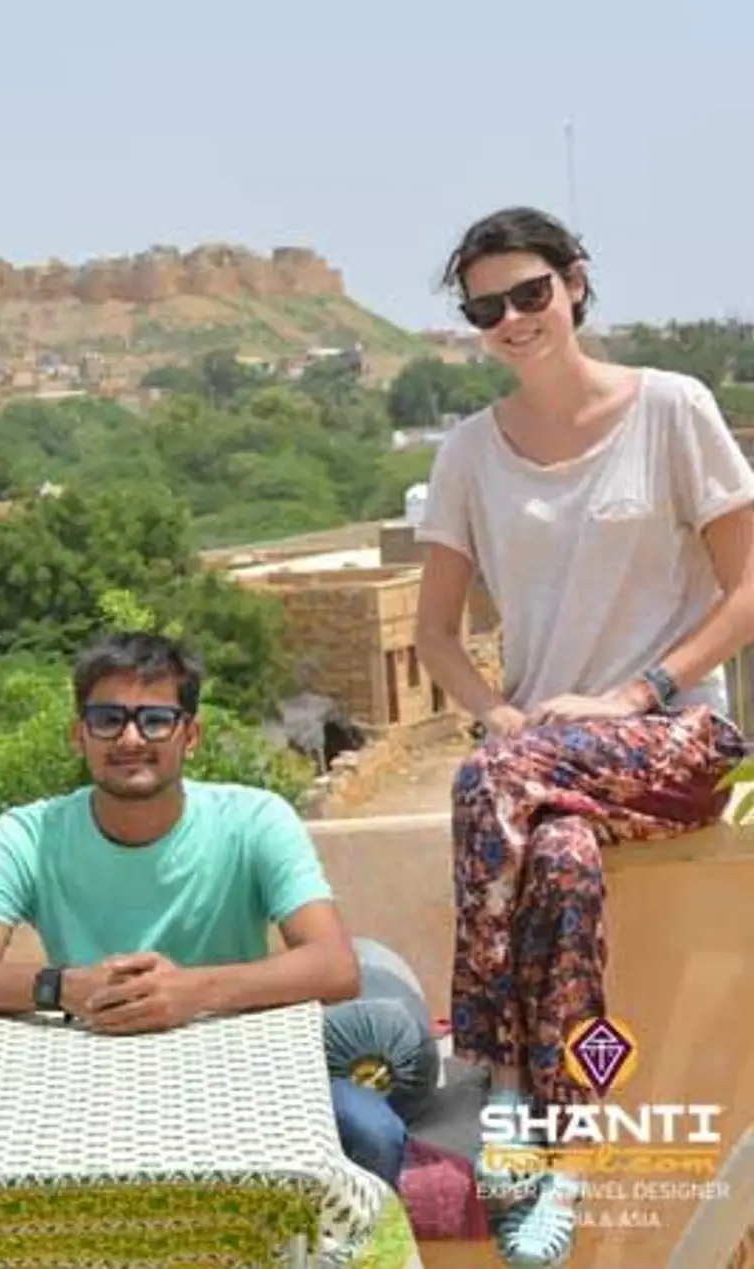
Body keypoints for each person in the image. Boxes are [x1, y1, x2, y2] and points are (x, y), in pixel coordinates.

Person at [414, 206, 754, 1264]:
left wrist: (637, 694)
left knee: (489, 780)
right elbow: (435, 633)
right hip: (542, 774)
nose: (514, 319)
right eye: (487, 308)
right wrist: (498, 712)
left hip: (675, 742)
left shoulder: (672, 409)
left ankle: (490, 1078)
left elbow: (748, 587)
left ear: (574, 282)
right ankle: (562, 1156)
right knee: (558, 862)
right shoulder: (471, 452)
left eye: (531, 293)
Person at [0, 631, 407, 1190]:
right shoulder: (28, 836)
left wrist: (191, 993)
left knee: (372, 1132)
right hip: (89, 1082)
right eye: (108, 719)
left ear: (190, 735)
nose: (130, 738)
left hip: (243, 1075)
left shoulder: (254, 821)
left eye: (155, 720)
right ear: (79, 735)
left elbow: (335, 966)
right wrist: (67, 987)